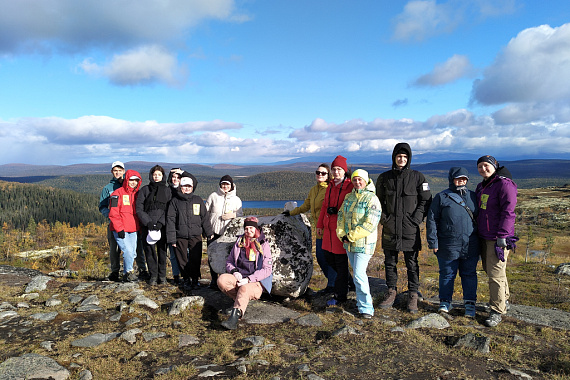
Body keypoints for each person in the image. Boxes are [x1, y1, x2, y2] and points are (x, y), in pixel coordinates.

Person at [376, 142, 431, 313]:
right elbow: (377, 201)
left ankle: (413, 294)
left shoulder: (418, 177)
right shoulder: (384, 178)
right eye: (399, 156)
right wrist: (384, 219)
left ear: (409, 159)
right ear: (394, 158)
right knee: (390, 262)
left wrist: (416, 219)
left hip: (410, 228)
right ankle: (391, 291)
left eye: (405, 157)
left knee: (412, 263)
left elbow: (426, 200)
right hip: (390, 228)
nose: (402, 159)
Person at [426, 167, 479, 317]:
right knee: (447, 274)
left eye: (464, 179)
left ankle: (470, 303)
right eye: (458, 178)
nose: (461, 181)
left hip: (471, 245)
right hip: (447, 245)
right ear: (451, 179)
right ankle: (445, 302)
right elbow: (432, 220)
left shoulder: (474, 196)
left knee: (469, 274)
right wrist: (433, 242)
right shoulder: (441, 197)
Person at [476, 155, 517, 327]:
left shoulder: (504, 184)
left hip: (497, 238)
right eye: (480, 167)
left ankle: (497, 310)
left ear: (495, 166)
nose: (483, 169)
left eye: (486, 166)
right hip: (484, 236)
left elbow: (509, 212)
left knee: (495, 274)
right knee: (494, 271)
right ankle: (503, 300)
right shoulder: (482, 186)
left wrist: (502, 235)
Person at [336, 169, 381, 319]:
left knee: (359, 275)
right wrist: (341, 234)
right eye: (355, 180)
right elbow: (341, 216)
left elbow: (370, 224)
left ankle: (366, 308)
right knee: (357, 274)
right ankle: (362, 304)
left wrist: (351, 236)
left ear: (366, 180)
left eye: (360, 179)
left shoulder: (372, 199)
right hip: (349, 243)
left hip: (364, 244)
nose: (357, 182)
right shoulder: (349, 197)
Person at [285, 164, 336, 293]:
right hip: (319, 230)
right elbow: (306, 206)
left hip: (329, 230)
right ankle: (340, 282)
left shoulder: (330, 189)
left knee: (330, 259)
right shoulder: (314, 190)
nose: (320, 174)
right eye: (318, 172)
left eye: (323, 173)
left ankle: (333, 285)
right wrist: (290, 213)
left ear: (328, 175)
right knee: (321, 258)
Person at [217, 217, 273, 330]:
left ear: (256, 228)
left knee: (244, 289)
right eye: (246, 228)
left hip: (255, 282)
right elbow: (229, 261)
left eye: (251, 228)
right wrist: (234, 271)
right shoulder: (239, 242)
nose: (248, 231)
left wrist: (248, 279)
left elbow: (267, 269)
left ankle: (234, 319)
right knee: (222, 280)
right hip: (239, 277)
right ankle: (237, 304)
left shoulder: (263, 244)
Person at [317, 155, 354, 306]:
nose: (336, 172)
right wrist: (320, 225)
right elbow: (325, 207)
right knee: (328, 258)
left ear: (345, 171)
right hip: (328, 230)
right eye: (334, 169)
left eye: (339, 169)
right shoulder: (331, 185)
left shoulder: (351, 186)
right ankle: (347, 283)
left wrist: (338, 211)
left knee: (340, 262)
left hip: (340, 231)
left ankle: (340, 296)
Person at [166, 172, 214, 290]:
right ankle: (186, 279)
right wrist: (172, 238)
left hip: (195, 235)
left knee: (195, 258)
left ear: (192, 187)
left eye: (189, 186)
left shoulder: (197, 200)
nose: (186, 188)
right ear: (180, 187)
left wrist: (209, 232)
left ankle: (195, 279)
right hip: (180, 235)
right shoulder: (175, 201)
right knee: (182, 259)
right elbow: (170, 220)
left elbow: (205, 218)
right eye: (184, 186)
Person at [205, 175, 243, 289]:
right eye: (223, 184)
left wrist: (233, 215)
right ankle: (213, 280)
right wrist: (206, 229)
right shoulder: (213, 196)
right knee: (212, 255)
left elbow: (241, 215)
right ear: (220, 185)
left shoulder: (236, 199)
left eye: (227, 184)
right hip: (213, 232)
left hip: (228, 235)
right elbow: (205, 212)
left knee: (227, 257)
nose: (225, 186)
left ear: (232, 186)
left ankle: (224, 281)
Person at [136, 165, 171, 286]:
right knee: (149, 252)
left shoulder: (167, 191)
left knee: (162, 252)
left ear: (163, 176)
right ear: (151, 176)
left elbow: (169, 209)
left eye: (159, 175)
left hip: (162, 226)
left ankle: (162, 276)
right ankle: (153, 276)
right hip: (147, 226)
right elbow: (139, 208)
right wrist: (148, 222)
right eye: (154, 175)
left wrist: (161, 222)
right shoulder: (145, 190)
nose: (156, 177)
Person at [108, 170, 142, 282]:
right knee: (127, 250)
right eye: (131, 180)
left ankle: (126, 273)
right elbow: (113, 213)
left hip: (133, 229)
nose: (133, 182)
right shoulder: (117, 194)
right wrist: (119, 228)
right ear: (127, 179)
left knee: (132, 252)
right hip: (121, 229)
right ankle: (128, 272)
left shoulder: (137, 194)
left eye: (135, 180)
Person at [98, 161, 125, 282]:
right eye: (115, 170)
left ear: (123, 171)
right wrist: (110, 216)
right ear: (112, 172)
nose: (118, 172)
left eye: (120, 170)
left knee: (132, 248)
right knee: (114, 249)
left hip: (129, 222)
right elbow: (102, 206)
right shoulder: (107, 188)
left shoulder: (128, 185)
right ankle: (115, 272)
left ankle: (132, 271)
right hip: (114, 223)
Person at [167, 168, 184, 284]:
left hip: (183, 226)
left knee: (184, 253)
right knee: (173, 253)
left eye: (178, 177)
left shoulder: (185, 191)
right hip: (170, 225)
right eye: (173, 177)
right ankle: (176, 275)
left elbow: (194, 181)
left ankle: (186, 275)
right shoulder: (166, 191)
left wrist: (182, 172)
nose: (175, 179)